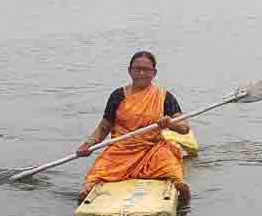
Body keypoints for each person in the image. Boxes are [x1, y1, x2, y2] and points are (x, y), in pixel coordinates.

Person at [76, 51, 191, 203]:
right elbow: (104, 127)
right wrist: (88, 144)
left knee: (169, 163)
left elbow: (184, 128)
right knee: (98, 171)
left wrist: (170, 124)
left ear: (154, 73)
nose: (141, 73)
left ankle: (178, 188)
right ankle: (89, 191)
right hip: (121, 150)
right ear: (129, 71)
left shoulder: (164, 96)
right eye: (137, 69)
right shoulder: (118, 96)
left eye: (147, 69)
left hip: (152, 148)